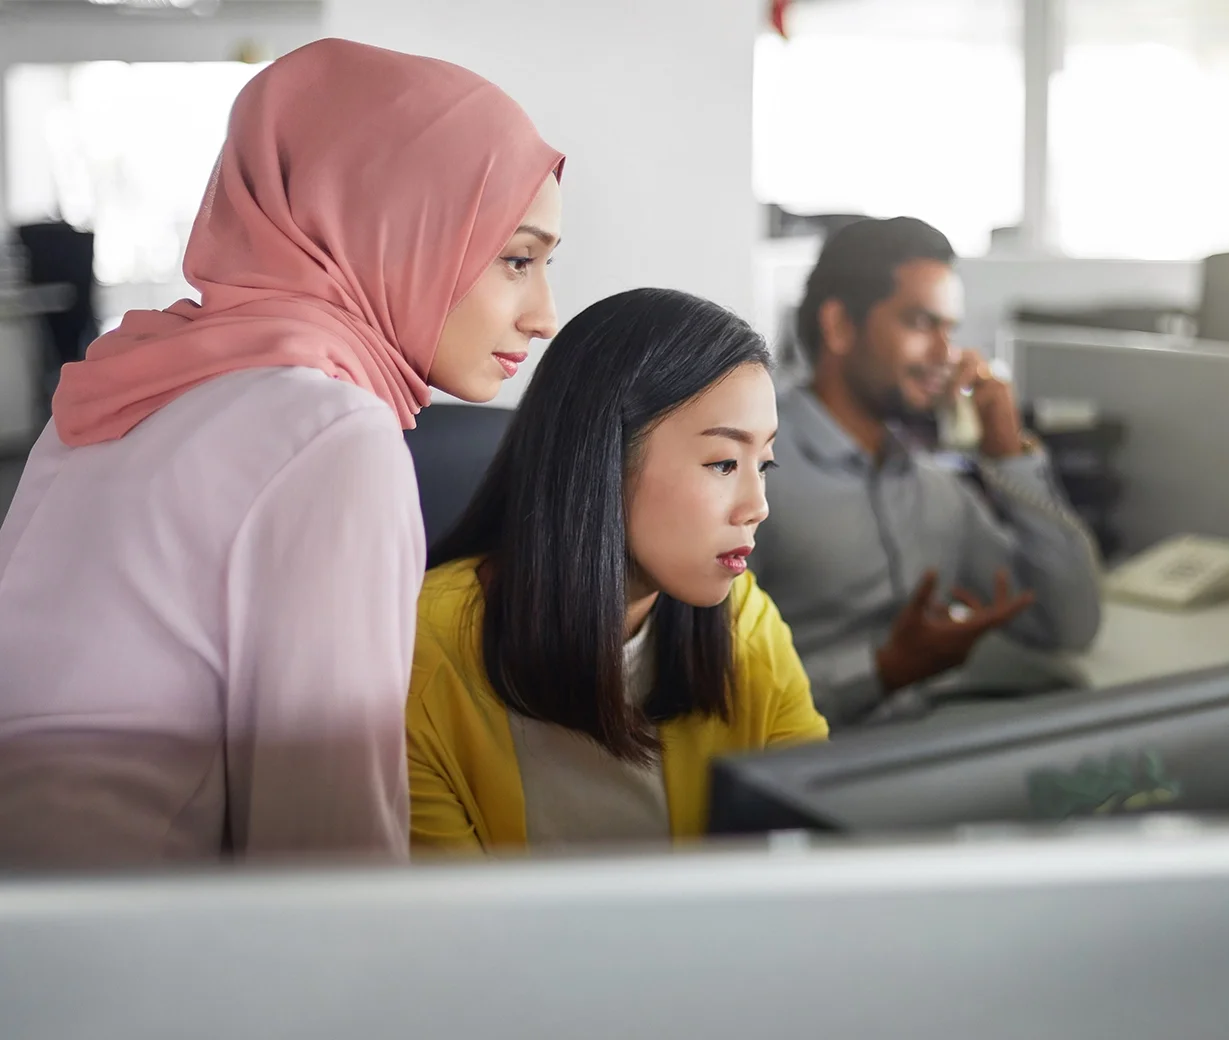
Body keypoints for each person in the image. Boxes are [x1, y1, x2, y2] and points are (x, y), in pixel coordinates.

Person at [0, 39, 564, 868]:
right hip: (131, 964)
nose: (544, 314)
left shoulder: (126, 382)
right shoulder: (332, 435)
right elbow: (330, 856)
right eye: (518, 260)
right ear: (394, 228)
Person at [406, 288, 828, 853]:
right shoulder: (419, 653)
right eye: (724, 463)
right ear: (603, 458)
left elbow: (810, 860)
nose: (758, 504)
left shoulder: (746, 625)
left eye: (764, 464)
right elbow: (450, 931)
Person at [750, 217, 1101, 729]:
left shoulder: (934, 490)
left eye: (950, 329)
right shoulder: (753, 475)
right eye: (919, 323)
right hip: (803, 774)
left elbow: (1066, 624)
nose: (947, 355)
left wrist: (1009, 456)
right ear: (840, 326)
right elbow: (712, 692)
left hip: (925, 750)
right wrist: (885, 671)